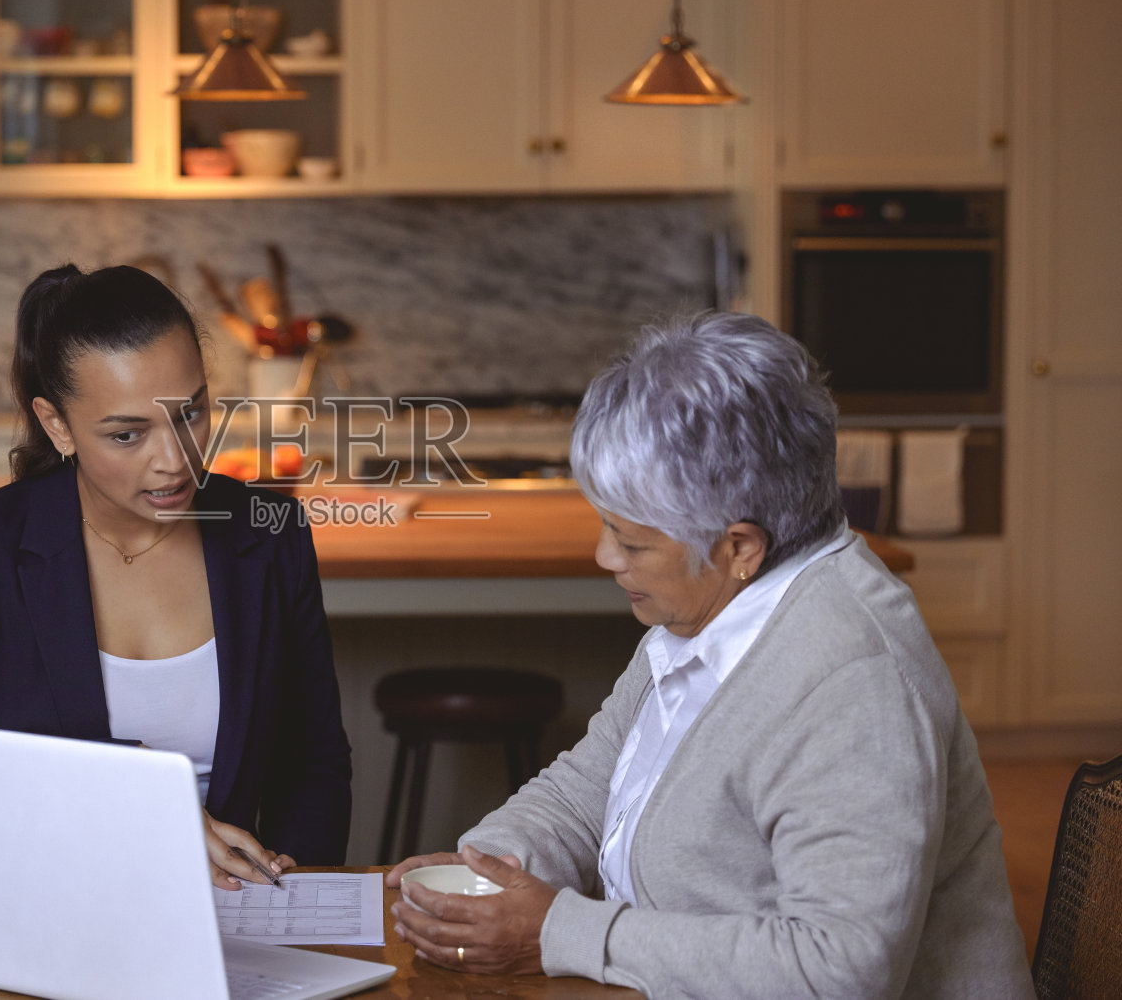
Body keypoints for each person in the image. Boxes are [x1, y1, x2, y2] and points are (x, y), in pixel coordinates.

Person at [387, 313, 1033, 998]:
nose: (605, 557)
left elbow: (838, 968)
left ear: (739, 547)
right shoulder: (708, 612)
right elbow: (589, 788)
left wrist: (558, 930)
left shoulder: (852, 680)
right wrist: (488, 868)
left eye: (631, 542)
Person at [0, 264, 351, 888]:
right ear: (57, 425)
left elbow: (312, 763)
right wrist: (134, 799)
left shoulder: (270, 531)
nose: (174, 462)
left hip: (232, 919)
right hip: (44, 904)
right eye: (127, 435)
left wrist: (293, 900)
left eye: (192, 414)